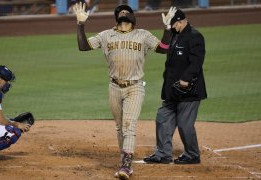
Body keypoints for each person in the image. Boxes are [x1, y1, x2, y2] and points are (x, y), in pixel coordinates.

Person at [73, 2, 176, 179]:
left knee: (129, 126)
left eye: (127, 11)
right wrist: (81, 25)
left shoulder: (142, 35)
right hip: (114, 87)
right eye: (120, 11)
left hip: (135, 87)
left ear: (133, 18)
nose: (124, 12)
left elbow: (164, 49)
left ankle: (126, 166)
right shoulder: (107, 35)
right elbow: (83, 46)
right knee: (120, 128)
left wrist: (167, 29)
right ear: (116, 18)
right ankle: (124, 159)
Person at [143, 8, 207, 164]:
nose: (172, 28)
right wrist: (166, 30)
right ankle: (163, 154)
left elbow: (197, 62)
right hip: (171, 89)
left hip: (189, 90)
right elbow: (164, 49)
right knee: (163, 118)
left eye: (173, 25)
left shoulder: (195, 36)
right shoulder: (173, 35)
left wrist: (186, 78)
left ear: (180, 21)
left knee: (185, 125)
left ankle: (192, 155)